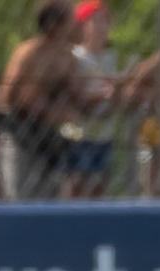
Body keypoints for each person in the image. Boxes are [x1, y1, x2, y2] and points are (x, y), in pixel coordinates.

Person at [0, 0, 83, 200]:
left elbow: (74, 99)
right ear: (54, 24)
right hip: (21, 137)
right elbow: (6, 97)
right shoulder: (28, 53)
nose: (77, 25)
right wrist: (40, 107)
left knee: (52, 201)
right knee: (18, 198)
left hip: (52, 141)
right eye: (71, 20)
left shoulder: (69, 59)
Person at [63, 0, 120, 197]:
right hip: (79, 134)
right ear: (83, 25)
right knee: (77, 185)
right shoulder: (75, 57)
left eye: (105, 21)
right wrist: (103, 94)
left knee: (99, 188)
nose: (101, 27)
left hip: (103, 133)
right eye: (95, 21)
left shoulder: (110, 58)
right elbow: (72, 95)